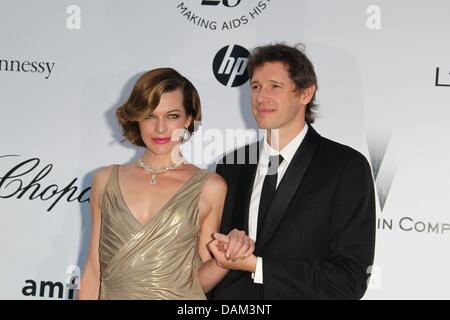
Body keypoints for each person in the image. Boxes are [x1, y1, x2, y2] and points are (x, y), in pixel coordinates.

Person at [209, 43, 376, 299]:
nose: (261, 97)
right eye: (255, 87)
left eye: (275, 86)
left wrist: (259, 267)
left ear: (306, 93)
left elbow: (348, 279)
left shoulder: (345, 167)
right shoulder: (233, 165)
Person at [78, 67, 254, 299]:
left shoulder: (210, 187)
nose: (160, 128)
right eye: (150, 115)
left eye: (172, 116)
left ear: (188, 119)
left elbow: (198, 282)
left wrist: (225, 259)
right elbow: (93, 269)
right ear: (137, 117)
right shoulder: (104, 180)